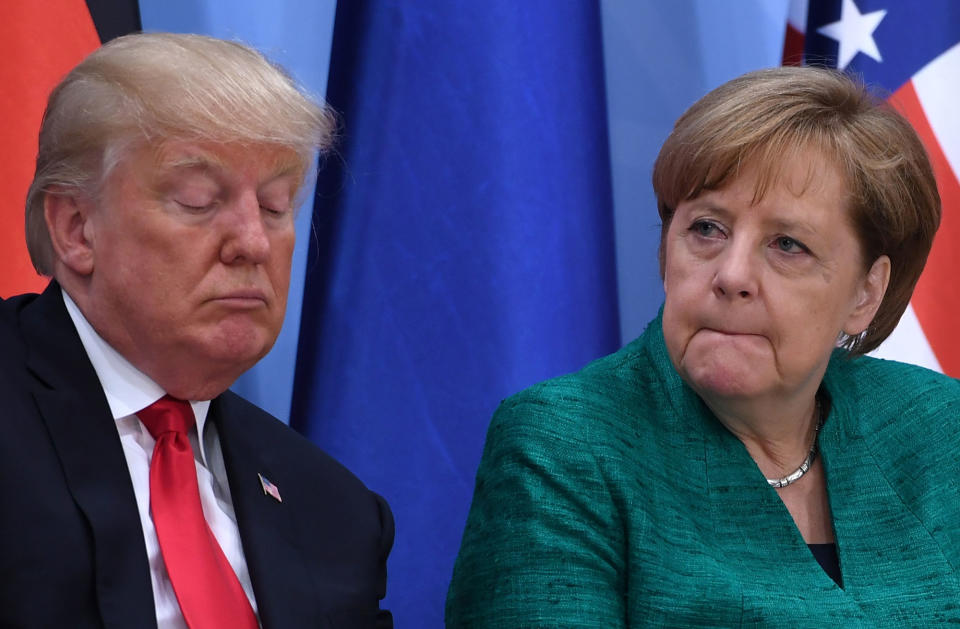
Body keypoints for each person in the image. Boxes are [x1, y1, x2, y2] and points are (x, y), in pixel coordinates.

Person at [446, 66, 960, 625]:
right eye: (707, 229)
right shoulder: (563, 447)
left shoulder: (937, 429)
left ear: (866, 292)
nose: (731, 274)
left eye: (788, 245)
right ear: (668, 249)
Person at [0, 33, 393, 628]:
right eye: (198, 200)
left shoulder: (336, 514)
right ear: (77, 229)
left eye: (275, 206)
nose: (253, 244)